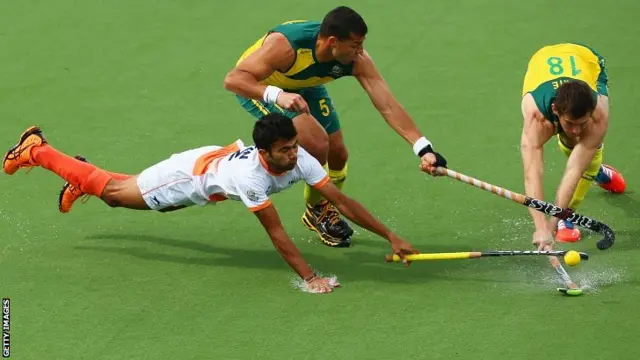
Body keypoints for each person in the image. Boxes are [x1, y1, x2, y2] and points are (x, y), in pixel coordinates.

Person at [2, 113, 418, 294]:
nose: (295, 155)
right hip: (192, 177)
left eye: (294, 147)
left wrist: (390, 235)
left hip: (209, 171)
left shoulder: (300, 157)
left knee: (120, 193)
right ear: (265, 151)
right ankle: (37, 150)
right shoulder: (250, 176)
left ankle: (82, 174)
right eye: (285, 151)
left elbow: (341, 201)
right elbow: (276, 232)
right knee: (116, 197)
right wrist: (310, 278)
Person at [223, 6, 447, 248]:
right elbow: (234, 79)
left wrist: (423, 149)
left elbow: (388, 105)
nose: (360, 51)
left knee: (338, 153)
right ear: (332, 42)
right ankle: (319, 207)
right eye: (355, 45)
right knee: (317, 144)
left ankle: (315, 208)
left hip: (305, 84)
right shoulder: (287, 47)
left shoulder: (356, 60)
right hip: (260, 87)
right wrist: (276, 95)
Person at [520, 43, 625, 246]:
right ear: (555, 110)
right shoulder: (536, 118)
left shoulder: (598, 115)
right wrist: (541, 227)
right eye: (570, 123)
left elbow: (573, 171)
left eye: (581, 123)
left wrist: (553, 224)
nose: (576, 130)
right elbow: (532, 173)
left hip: (586, 58)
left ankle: (568, 215)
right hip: (540, 59)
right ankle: (597, 173)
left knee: (585, 156)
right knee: (572, 138)